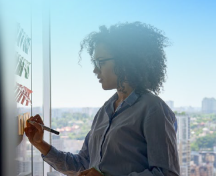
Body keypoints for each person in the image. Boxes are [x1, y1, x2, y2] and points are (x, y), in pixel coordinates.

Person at [24, 22, 180, 176]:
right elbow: (81, 164)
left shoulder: (153, 109)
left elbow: (167, 174)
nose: (95, 69)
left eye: (101, 62)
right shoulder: (105, 111)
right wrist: (39, 143)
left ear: (125, 62)